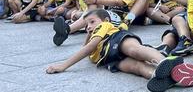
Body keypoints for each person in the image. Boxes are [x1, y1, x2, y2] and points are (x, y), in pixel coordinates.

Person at [46, 8, 185, 92]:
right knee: (135, 67)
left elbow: (89, 48)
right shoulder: (93, 35)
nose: (88, 26)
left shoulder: (105, 26)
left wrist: (63, 65)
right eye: (86, 25)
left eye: (92, 22)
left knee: (134, 50)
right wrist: (88, 33)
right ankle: (158, 75)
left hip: (116, 39)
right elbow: (86, 48)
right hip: (109, 58)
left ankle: (164, 62)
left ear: (105, 20)